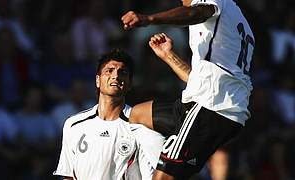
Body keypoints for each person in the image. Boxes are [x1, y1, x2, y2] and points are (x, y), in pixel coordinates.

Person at [121, 0, 255, 179]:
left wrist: (149, 19)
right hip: (215, 103)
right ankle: (166, 167)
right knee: (137, 115)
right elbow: (199, 79)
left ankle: (167, 169)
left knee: (164, 178)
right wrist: (169, 56)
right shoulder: (236, 21)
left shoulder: (211, 5)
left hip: (210, 107)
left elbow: (195, 13)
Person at [53, 49, 164, 179]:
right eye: (109, 71)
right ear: (97, 81)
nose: (116, 76)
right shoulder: (73, 125)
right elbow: (68, 175)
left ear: (129, 84)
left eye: (122, 72)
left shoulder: (140, 127)